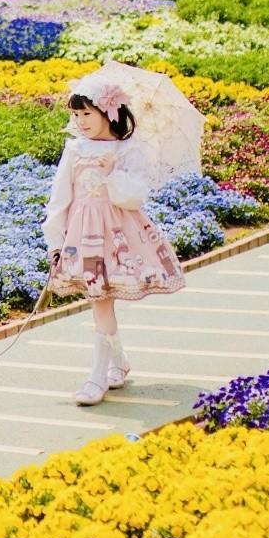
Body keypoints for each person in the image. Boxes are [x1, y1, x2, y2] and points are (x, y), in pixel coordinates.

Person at [43, 65, 186, 406]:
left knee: (102, 300)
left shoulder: (128, 149)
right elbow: (60, 199)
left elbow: (134, 197)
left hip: (121, 236)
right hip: (85, 236)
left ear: (108, 112)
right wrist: (55, 241)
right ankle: (113, 364)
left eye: (87, 114)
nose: (81, 121)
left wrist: (111, 175)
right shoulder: (76, 150)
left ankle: (99, 375)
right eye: (76, 115)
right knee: (100, 300)